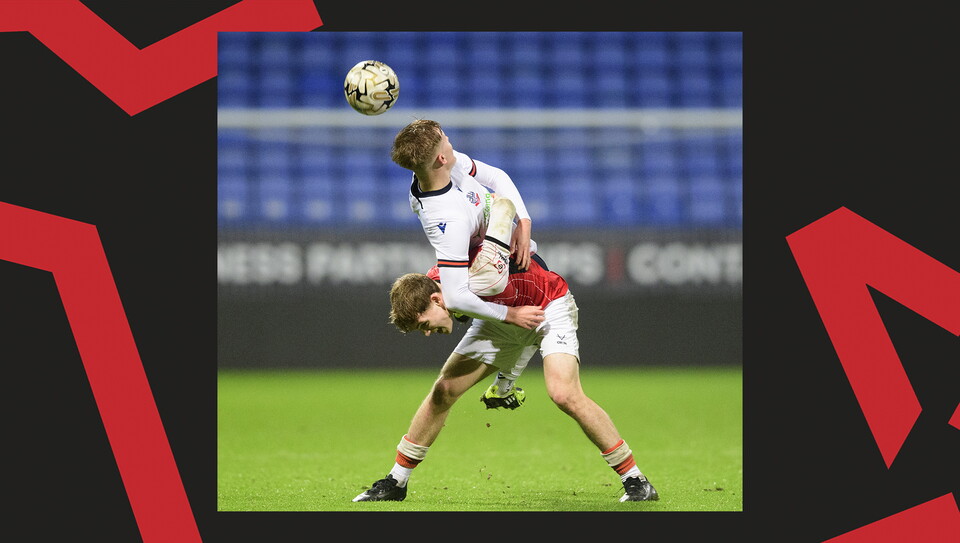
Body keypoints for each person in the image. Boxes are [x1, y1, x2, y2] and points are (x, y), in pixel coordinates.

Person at [351, 227, 660, 503]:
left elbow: (525, 306)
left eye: (425, 325)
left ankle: (636, 480)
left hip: (547, 307)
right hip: (502, 316)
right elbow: (509, 321)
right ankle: (396, 481)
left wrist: (519, 231)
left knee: (564, 394)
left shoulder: (477, 276)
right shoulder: (445, 288)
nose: (429, 333)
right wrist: (504, 382)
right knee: (443, 390)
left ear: (436, 299)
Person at [389, 118, 542, 406]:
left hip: (505, 250)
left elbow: (497, 176)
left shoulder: (447, 166)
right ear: (440, 157)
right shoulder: (447, 219)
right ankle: (505, 383)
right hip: (491, 263)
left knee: (526, 317)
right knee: (518, 311)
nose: (450, 140)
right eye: (445, 137)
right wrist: (510, 315)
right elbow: (458, 297)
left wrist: (524, 221)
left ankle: (505, 383)